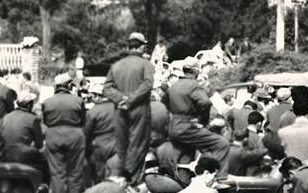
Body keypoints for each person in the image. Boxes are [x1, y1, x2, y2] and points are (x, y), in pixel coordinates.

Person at [108, 32, 155, 183]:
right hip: (138, 109)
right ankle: (132, 181)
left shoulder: (116, 65)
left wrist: (121, 99)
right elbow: (147, 84)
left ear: (129, 47)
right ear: (141, 47)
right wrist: (130, 99)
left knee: (121, 145)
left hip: (120, 109)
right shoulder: (146, 65)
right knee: (138, 145)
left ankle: (120, 178)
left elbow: (106, 88)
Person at [166, 61, 229, 168]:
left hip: (173, 128)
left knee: (188, 154)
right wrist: (202, 121)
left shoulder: (174, 86)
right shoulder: (194, 85)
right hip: (188, 127)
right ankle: (218, 175)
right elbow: (205, 102)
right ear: (196, 71)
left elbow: (164, 103)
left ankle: (184, 175)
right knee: (222, 144)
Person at [84, 84, 122, 181]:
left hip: (100, 147)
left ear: (97, 96)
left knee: (100, 175)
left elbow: (86, 133)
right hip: (118, 145)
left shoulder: (93, 111)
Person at [0, 88, 43, 166]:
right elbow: (39, 145)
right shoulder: (32, 119)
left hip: (6, 155)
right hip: (22, 157)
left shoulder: (6, 117)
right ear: (29, 105)